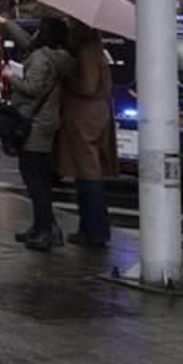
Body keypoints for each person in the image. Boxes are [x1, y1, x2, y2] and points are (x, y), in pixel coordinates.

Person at [7, 16, 76, 252]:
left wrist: (11, 78)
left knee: (33, 177)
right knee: (40, 177)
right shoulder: (61, 59)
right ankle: (41, 227)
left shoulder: (40, 58)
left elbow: (33, 89)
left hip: (34, 122)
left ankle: (46, 230)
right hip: (48, 120)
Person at [54, 22, 117, 247]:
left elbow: (88, 85)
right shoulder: (97, 48)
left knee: (88, 172)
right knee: (89, 171)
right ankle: (91, 229)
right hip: (97, 113)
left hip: (84, 116)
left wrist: (66, 79)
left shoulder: (85, 49)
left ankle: (94, 230)